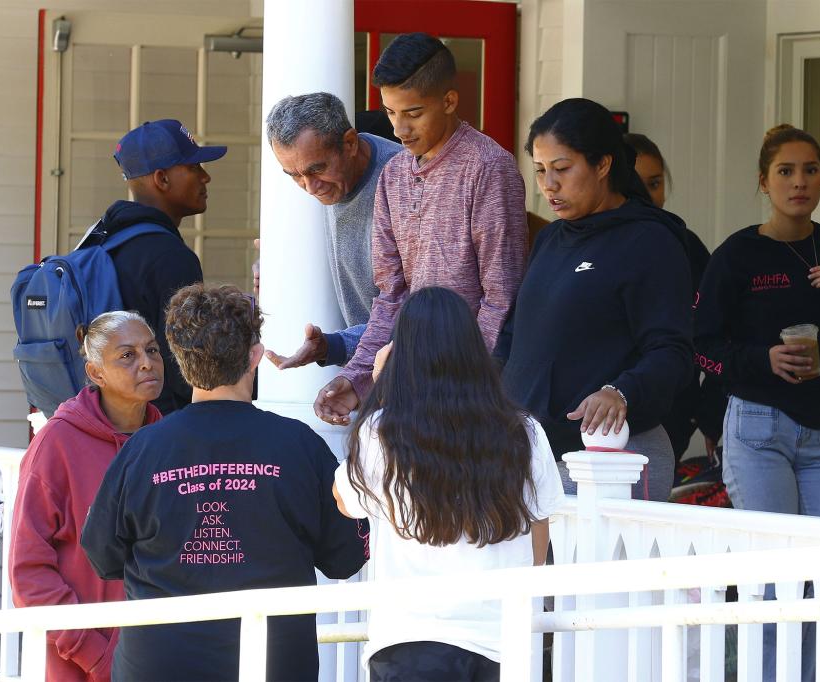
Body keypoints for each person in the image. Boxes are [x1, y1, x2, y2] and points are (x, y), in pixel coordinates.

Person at [80, 285, 368, 682]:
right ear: (254, 356)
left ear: (180, 361)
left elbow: (101, 556)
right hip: (272, 664)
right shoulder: (301, 446)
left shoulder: (140, 450)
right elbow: (347, 556)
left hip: (159, 665)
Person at [694, 124, 820, 682]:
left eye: (809, 170)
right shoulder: (737, 255)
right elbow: (701, 346)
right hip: (758, 425)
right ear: (764, 181)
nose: (798, 182)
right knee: (775, 578)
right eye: (785, 171)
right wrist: (765, 360)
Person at [332, 287, 564, 680]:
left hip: (408, 641)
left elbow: (344, 500)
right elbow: (538, 547)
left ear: (401, 354)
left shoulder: (380, 430)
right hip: (502, 644)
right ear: (473, 350)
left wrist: (378, 388)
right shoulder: (523, 432)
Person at [315, 32, 528, 426]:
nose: (399, 128)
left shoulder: (488, 167)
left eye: (413, 113)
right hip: (412, 390)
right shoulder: (393, 174)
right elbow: (391, 295)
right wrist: (358, 377)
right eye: (391, 112)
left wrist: (465, 380)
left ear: (449, 101)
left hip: (472, 397)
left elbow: (502, 297)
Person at [495, 98, 695, 502]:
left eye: (562, 169)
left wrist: (621, 392)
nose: (549, 184)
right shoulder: (550, 238)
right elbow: (513, 336)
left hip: (610, 458)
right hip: (528, 456)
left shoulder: (650, 240)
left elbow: (672, 349)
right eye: (540, 170)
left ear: (603, 165)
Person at [10, 311, 164, 682]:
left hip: (161, 657)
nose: (146, 363)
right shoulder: (56, 444)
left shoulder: (168, 441)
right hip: (81, 667)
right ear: (96, 373)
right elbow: (28, 574)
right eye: (127, 355)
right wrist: (97, 656)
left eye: (152, 350)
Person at [263, 92, 401, 369]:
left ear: (349, 143)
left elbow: (414, 311)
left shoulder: (403, 181)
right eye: (294, 175)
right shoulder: (333, 181)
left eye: (317, 169)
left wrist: (338, 346)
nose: (309, 187)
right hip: (373, 371)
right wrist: (272, 274)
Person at [104, 119, 225, 414]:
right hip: (156, 427)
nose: (205, 178)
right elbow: (187, 371)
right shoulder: (171, 257)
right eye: (194, 168)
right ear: (162, 179)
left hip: (112, 422)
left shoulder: (106, 243)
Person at [624, 132, 722, 464]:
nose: (648, 196)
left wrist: (708, 410)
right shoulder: (587, 244)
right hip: (599, 411)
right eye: (637, 184)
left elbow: (714, 331)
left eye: (655, 183)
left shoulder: (687, 246)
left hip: (672, 410)